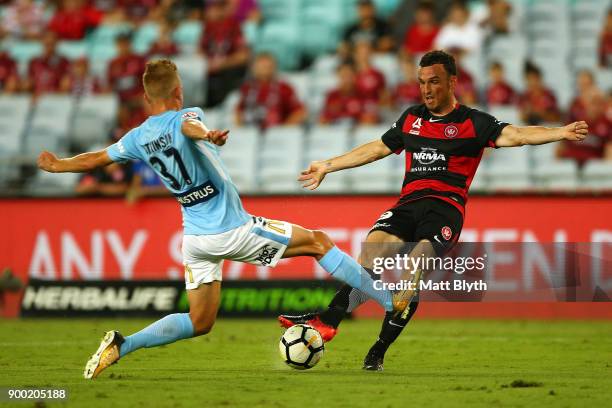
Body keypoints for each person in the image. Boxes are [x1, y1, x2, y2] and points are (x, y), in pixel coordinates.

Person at [36, 59, 407, 379]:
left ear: (147, 97)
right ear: (178, 92)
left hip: (196, 241)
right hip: (233, 230)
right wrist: (208, 133)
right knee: (318, 242)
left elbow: (97, 158)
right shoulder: (187, 115)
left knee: (200, 322)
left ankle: (123, 344)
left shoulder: (136, 138)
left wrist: (58, 166)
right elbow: (188, 128)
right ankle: (390, 301)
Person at [279, 50, 588, 371]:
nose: (426, 89)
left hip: (444, 211)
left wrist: (560, 132)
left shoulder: (474, 122)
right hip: (408, 206)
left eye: (434, 82)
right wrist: (328, 165)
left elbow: (518, 135)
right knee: (371, 250)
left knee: (414, 268)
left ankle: (378, 351)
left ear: (452, 82)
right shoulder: (411, 118)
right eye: (422, 82)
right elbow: (376, 149)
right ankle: (330, 320)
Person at [235, 53, 306, 129]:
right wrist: (242, 129)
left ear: (274, 67)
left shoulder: (284, 88)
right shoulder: (247, 88)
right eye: (261, 66)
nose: (264, 69)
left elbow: (300, 112)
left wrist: (283, 129)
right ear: (253, 68)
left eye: (267, 66)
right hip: (250, 132)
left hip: (276, 134)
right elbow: (239, 111)